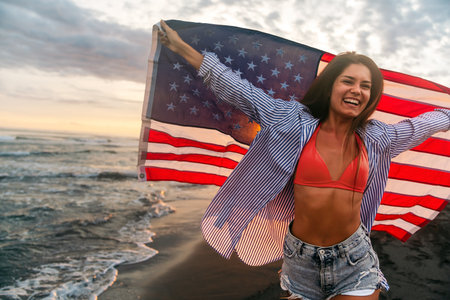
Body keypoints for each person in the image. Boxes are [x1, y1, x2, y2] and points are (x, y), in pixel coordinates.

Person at [157, 20, 450, 300]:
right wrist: (182, 48)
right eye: (348, 81)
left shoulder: (379, 138)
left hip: (355, 257)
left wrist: (447, 116)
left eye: (366, 85)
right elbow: (238, 90)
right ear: (331, 85)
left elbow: (424, 124)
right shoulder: (291, 122)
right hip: (301, 259)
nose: (356, 90)